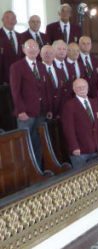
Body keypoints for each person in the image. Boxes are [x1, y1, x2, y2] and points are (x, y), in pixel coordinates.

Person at [9, 39, 49, 168]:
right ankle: (26, 171)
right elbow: (15, 91)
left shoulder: (42, 66)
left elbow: (44, 89)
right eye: (29, 47)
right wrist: (20, 111)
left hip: (40, 113)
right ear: (24, 49)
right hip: (26, 114)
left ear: (38, 50)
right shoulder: (16, 66)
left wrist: (47, 109)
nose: (32, 49)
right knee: (25, 144)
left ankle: (38, 169)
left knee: (38, 142)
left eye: (35, 47)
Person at [61, 78, 98, 168]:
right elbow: (68, 129)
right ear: (74, 89)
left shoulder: (94, 102)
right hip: (80, 150)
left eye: (84, 87)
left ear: (88, 88)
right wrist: (74, 147)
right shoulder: (69, 105)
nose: (82, 89)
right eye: (78, 87)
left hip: (96, 148)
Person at [1, 10, 24, 84]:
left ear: (16, 21)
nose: (10, 20)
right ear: (2, 20)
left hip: (19, 77)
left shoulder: (21, 37)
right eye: (7, 18)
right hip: (3, 79)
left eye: (13, 18)